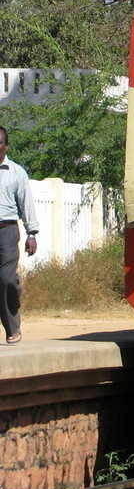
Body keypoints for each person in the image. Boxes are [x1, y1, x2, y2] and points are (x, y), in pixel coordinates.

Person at [0, 126, 39, 345]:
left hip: (7, 231)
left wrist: (31, 233)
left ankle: (12, 327)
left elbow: (26, 204)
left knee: (6, 280)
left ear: (6, 146)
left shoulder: (16, 172)